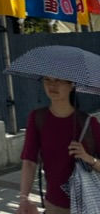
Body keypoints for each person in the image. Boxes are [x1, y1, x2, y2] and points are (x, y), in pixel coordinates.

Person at [18, 75, 100, 213]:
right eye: (47, 80)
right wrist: (24, 198)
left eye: (58, 80)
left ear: (72, 84)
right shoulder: (38, 118)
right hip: (54, 206)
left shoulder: (88, 123)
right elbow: (29, 161)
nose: (52, 85)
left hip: (88, 206)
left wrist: (88, 158)